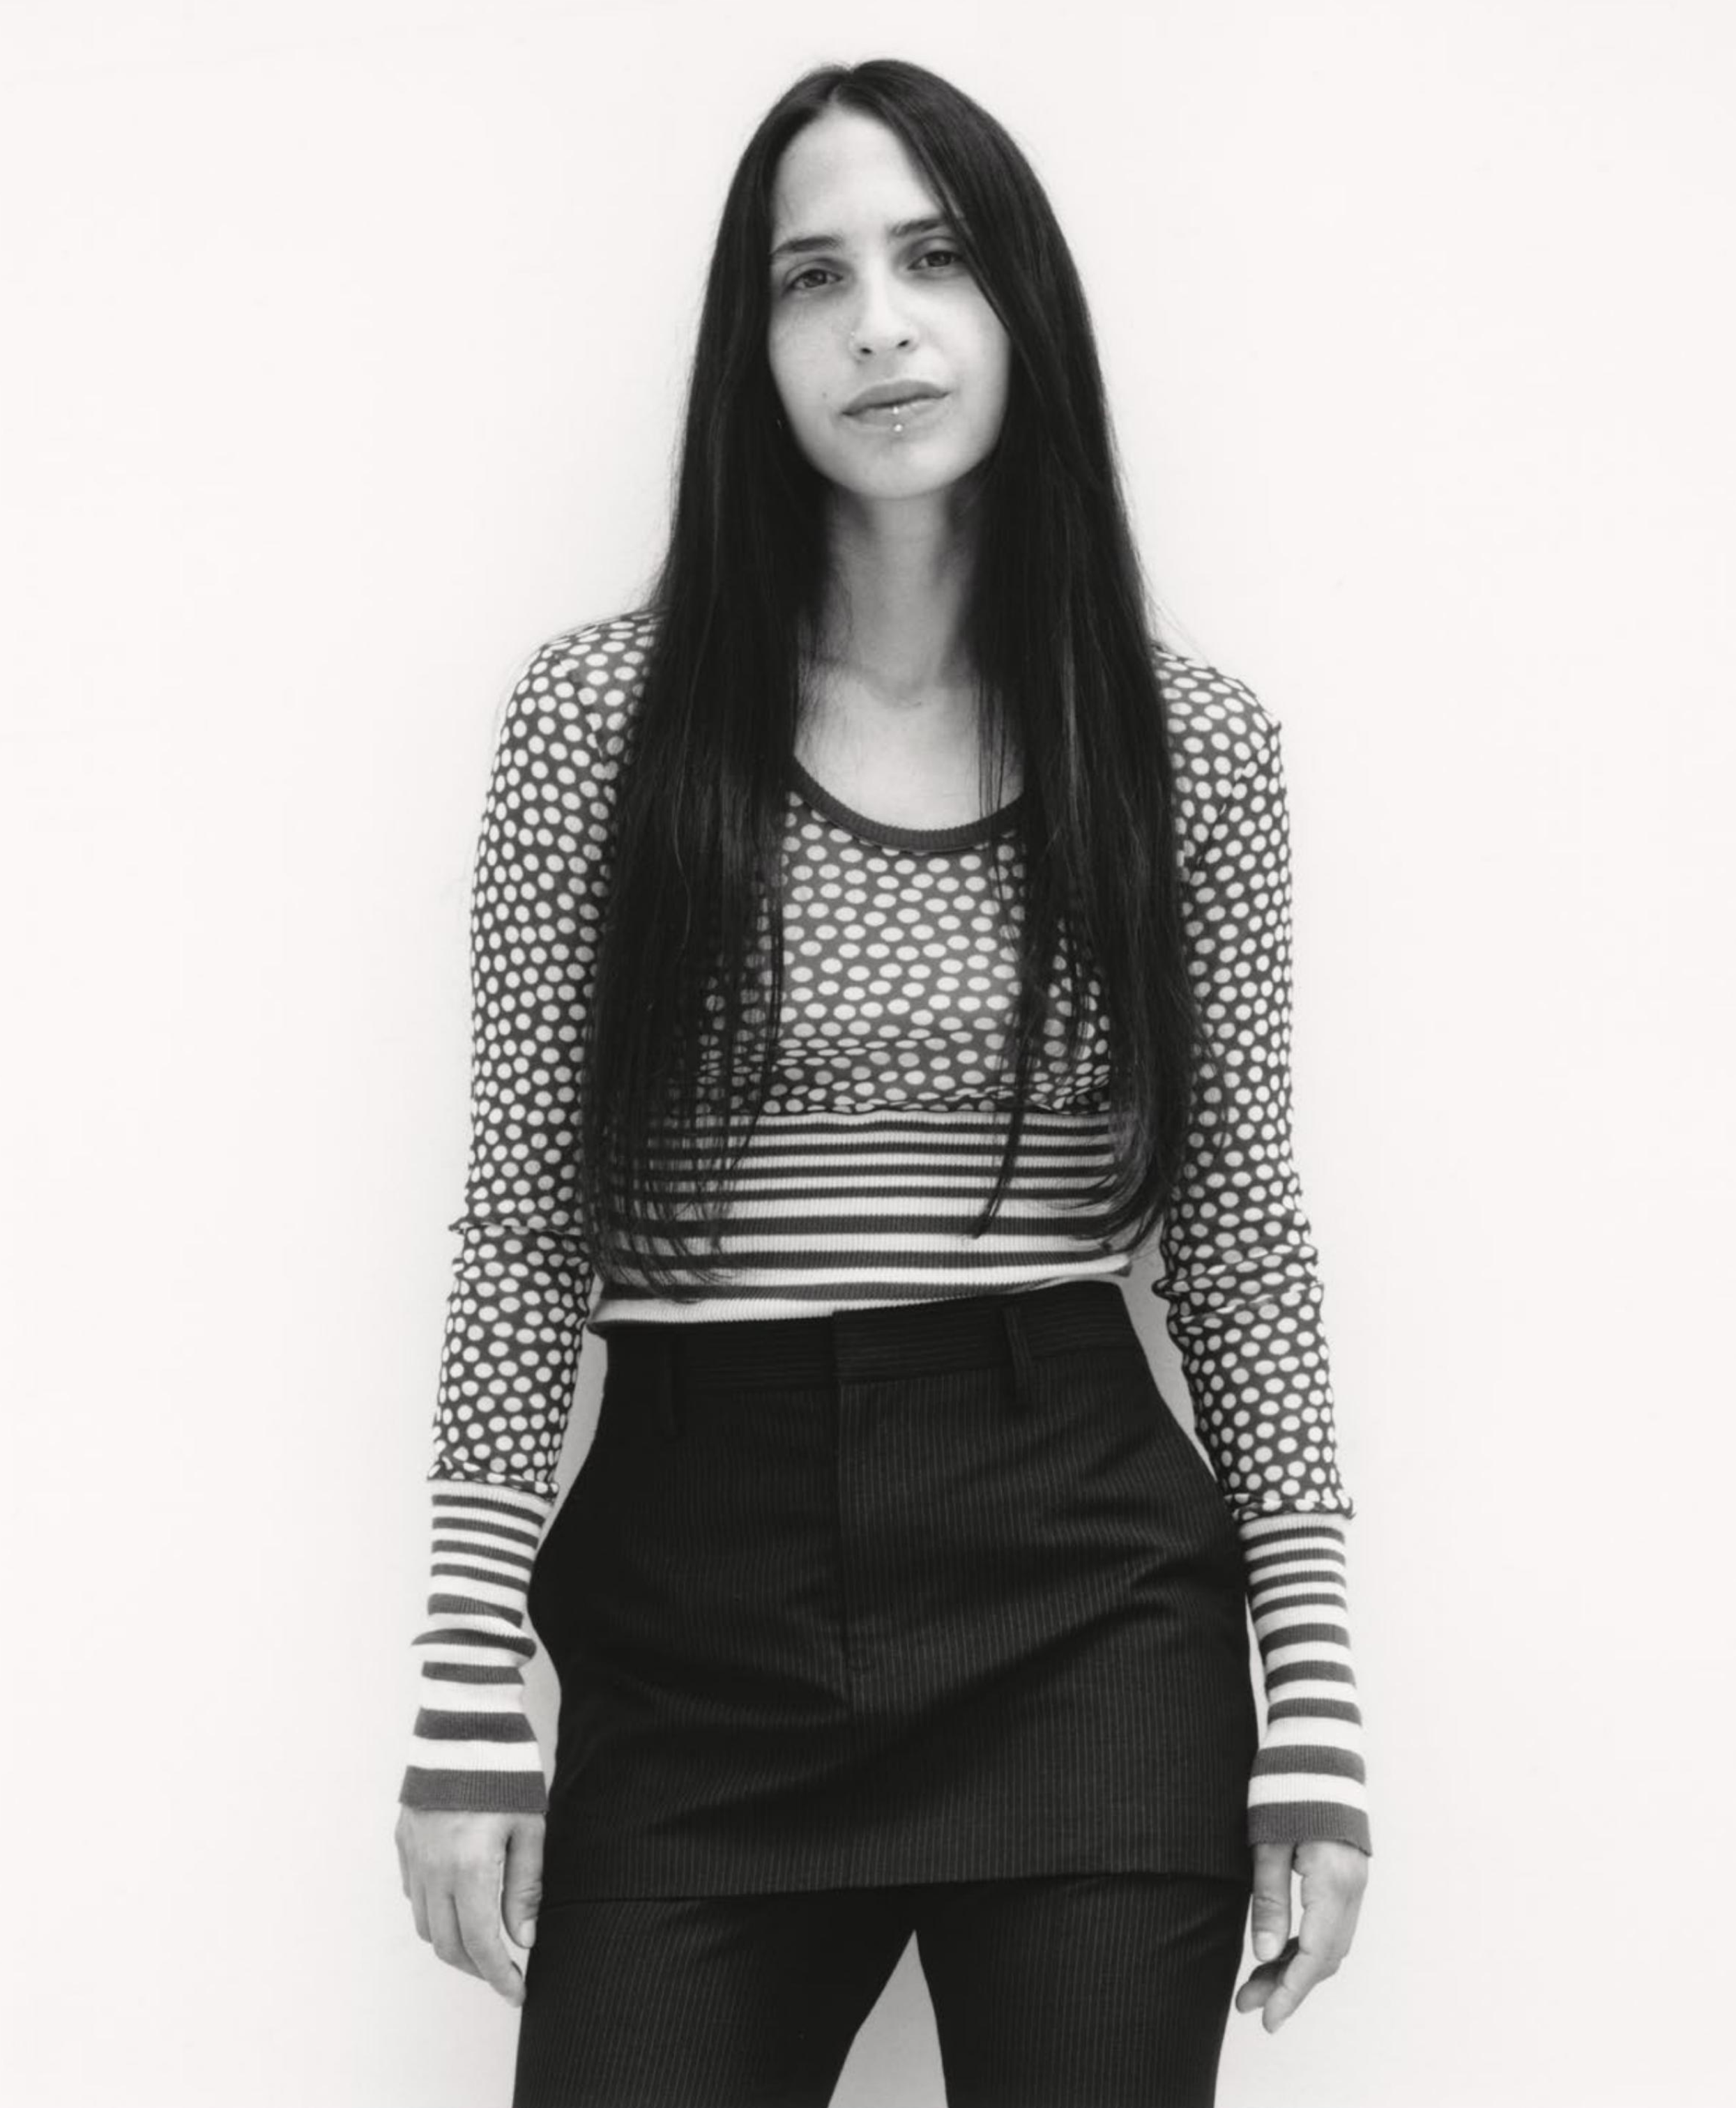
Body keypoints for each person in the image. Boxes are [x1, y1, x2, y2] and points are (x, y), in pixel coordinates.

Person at [393, 55, 1371, 2108]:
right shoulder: (604, 724)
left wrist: (1316, 1705)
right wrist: (467, 1684)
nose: (879, 327)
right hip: (696, 1599)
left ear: (1024, 308)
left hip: (1080, 1593)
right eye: (811, 278)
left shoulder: (1186, 749)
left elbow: (1240, 1235)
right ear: (750, 348)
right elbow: (527, 1210)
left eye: (934, 259)